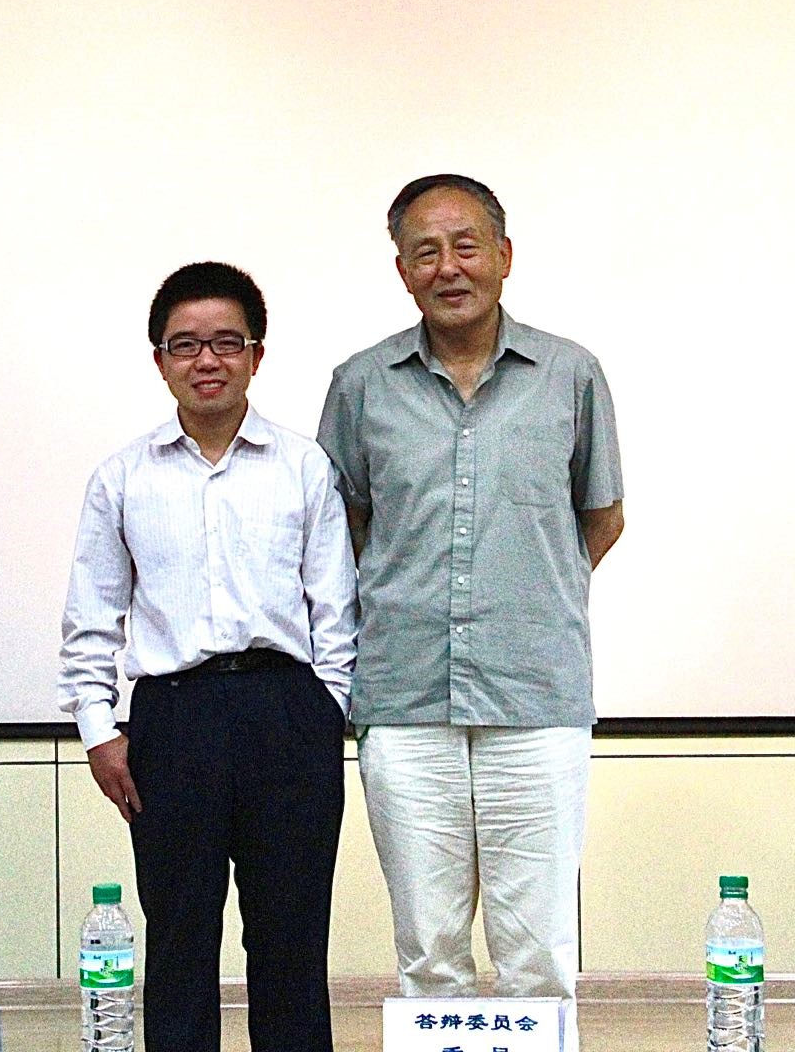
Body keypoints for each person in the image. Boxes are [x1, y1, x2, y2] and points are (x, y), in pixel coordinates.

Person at [316, 174, 624, 1013]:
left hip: (536, 695)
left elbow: (600, 517)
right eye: (425, 252)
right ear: (402, 271)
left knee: (539, 950)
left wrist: (526, 594)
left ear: (504, 255)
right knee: (429, 952)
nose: (448, 268)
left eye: (466, 246)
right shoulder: (360, 384)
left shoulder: (570, 374)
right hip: (404, 695)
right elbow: (341, 528)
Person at [59, 261, 358, 1052]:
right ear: (159, 361)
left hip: (286, 710)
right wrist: (98, 730)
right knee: (179, 938)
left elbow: (336, 608)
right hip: (173, 720)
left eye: (227, 341)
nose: (207, 360)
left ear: (256, 355)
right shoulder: (121, 478)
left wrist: (324, 710)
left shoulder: (303, 467)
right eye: (185, 344)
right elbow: (91, 619)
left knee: (291, 938)